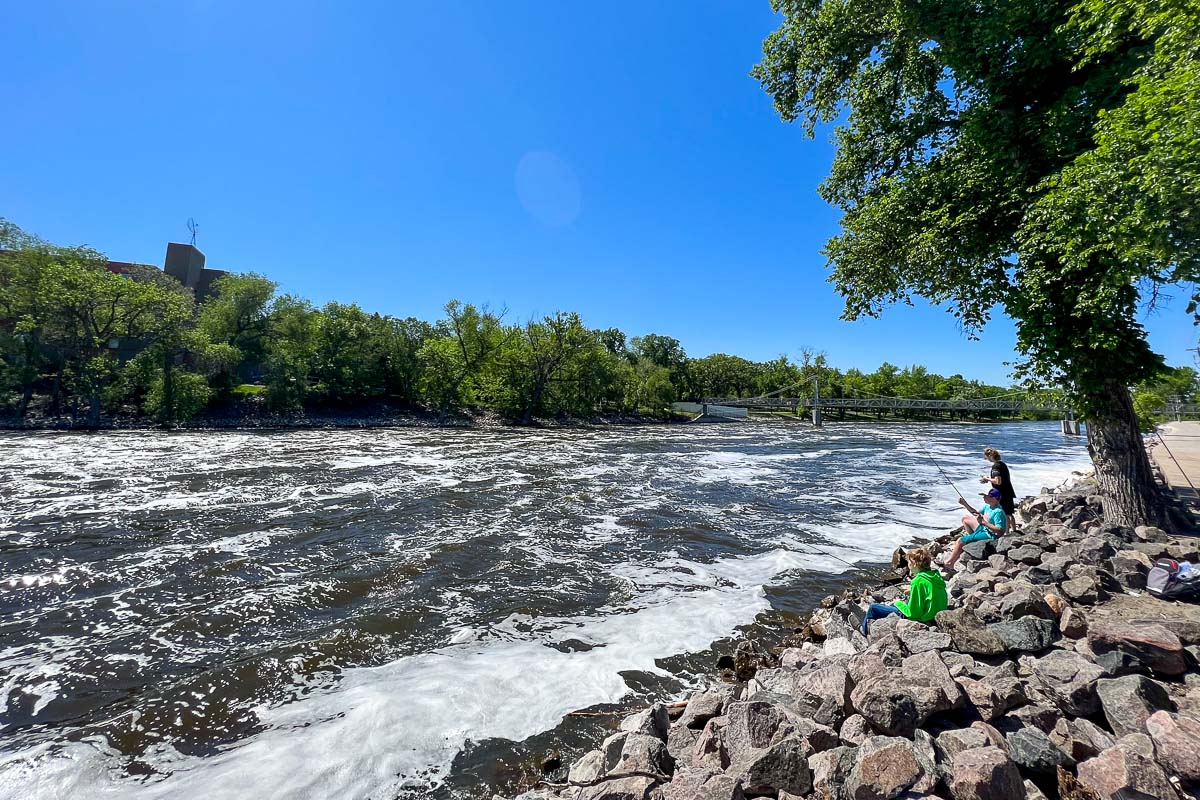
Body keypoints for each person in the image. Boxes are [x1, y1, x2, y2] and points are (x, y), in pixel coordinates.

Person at [859, 548, 947, 635]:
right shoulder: (935, 576)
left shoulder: (918, 582)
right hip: (935, 615)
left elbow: (913, 613)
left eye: (909, 562)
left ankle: (863, 630)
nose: (908, 565)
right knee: (896, 604)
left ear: (915, 564)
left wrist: (898, 603)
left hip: (924, 619)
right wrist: (911, 591)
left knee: (873, 608)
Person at [943, 489, 1008, 570]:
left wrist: (984, 523)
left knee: (960, 541)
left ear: (994, 498)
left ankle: (949, 563)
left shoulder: (998, 512)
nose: (984, 497)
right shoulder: (988, 506)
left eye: (986, 496)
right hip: (984, 528)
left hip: (991, 535)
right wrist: (965, 504)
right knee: (965, 519)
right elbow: (975, 513)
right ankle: (971, 541)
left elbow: (1000, 530)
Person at [979, 447, 1016, 534]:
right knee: (1009, 513)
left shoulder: (996, 466)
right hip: (1008, 490)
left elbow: (998, 481)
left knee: (1005, 513)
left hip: (1002, 493)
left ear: (990, 456)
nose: (986, 459)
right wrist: (988, 479)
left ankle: (1007, 534)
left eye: (986, 457)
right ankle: (1014, 531)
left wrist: (987, 479)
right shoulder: (1002, 464)